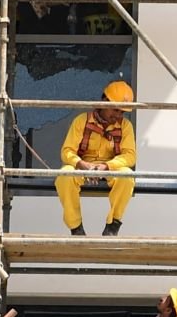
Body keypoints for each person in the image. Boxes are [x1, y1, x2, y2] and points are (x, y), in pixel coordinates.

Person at [56, 80, 137, 236]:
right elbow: (67, 151)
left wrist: (106, 167)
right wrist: (82, 165)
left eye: (122, 112)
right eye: (115, 110)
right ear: (104, 102)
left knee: (127, 176)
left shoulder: (125, 126)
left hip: (111, 169)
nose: (118, 115)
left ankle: (113, 225)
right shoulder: (81, 121)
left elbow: (130, 155)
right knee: (64, 175)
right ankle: (76, 227)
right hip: (83, 168)